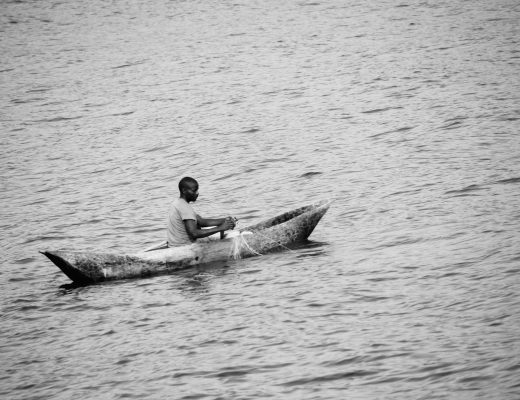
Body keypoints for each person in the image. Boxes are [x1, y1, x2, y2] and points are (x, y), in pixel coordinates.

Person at [167, 177, 236, 246]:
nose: (197, 193)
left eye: (197, 190)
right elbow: (194, 233)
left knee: (215, 230)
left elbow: (201, 221)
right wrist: (221, 228)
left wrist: (225, 220)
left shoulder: (177, 202)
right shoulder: (185, 208)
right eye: (194, 191)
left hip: (174, 243)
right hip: (186, 245)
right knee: (221, 234)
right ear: (184, 190)